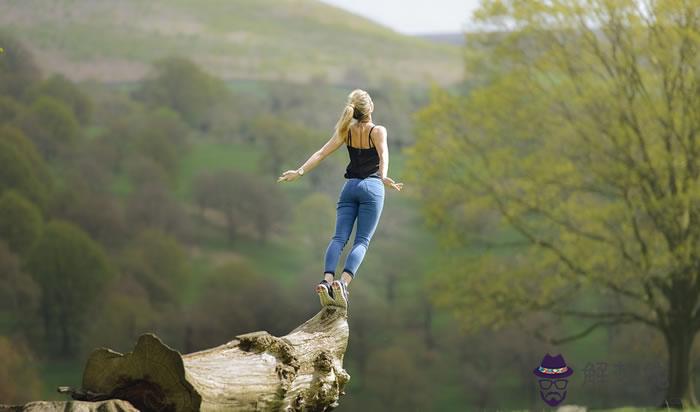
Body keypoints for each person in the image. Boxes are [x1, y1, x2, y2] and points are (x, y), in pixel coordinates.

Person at [277, 89, 403, 308]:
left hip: (349, 188)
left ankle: (326, 281)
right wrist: (383, 177)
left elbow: (321, 153)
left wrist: (299, 172)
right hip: (372, 187)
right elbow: (384, 155)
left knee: (338, 238)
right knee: (362, 240)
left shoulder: (347, 131)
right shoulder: (378, 130)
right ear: (370, 107)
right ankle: (342, 283)